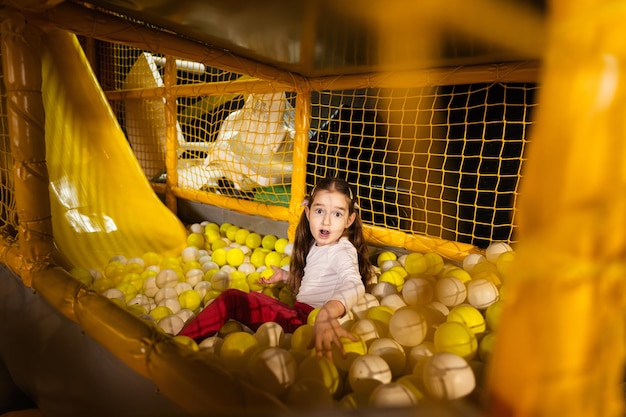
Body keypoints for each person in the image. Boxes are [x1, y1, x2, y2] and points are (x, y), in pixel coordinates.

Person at [178, 177, 373, 358]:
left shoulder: (342, 250)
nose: (326, 221)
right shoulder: (319, 243)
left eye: (337, 213)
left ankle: (178, 348)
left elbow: (353, 284)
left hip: (305, 326)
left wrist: (326, 314)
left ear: (349, 219)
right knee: (252, 298)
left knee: (231, 299)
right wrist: (286, 276)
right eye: (319, 211)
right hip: (300, 317)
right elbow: (319, 279)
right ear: (308, 212)